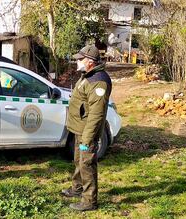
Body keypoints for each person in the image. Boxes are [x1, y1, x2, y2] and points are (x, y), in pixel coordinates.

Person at [61, 45, 112, 211]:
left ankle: (89, 201)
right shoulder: (87, 75)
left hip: (87, 132)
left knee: (87, 164)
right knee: (79, 161)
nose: (77, 61)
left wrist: (88, 138)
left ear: (90, 62)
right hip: (78, 129)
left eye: (79, 59)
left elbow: (96, 115)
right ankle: (77, 188)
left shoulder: (98, 81)